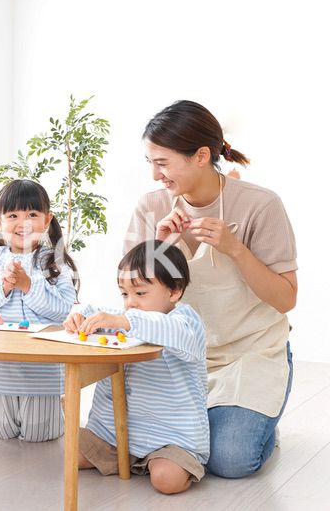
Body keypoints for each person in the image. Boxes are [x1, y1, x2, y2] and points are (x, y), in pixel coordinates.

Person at [125, 100, 297, 478]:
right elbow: (132, 302)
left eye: (163, 163)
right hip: (179, 354)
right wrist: (159, 248)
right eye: (150, 163)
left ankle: (261, 422)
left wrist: (236, 249)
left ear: (201, 155)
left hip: (249, 353)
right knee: (126, 438)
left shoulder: (260, 205)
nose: (156, 175)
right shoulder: (151, 207)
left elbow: (286, 298)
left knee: (229, 460)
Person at [64, 240, 208, 494]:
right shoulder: (124, 321)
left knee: (166, 480)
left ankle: (160, 463)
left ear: (174, 291)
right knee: (72, 454)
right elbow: (94, 310)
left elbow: (170, 331)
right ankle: (120, 455)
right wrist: (79, 317)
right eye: (124, 294)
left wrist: (125, 321)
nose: (130, 303)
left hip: (170, 438)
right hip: (114, 435)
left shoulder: (184, 321)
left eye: (140, 293)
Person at [0, 179, 78, 442]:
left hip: (39, 366)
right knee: (1, 429)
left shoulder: (55, 260)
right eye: (13, 215)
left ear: (47, 220)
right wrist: (3, 285)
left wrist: (28, 285)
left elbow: (62, 310)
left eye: (32, 215)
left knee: (38, 434)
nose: (23, 222)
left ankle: (58, 404)